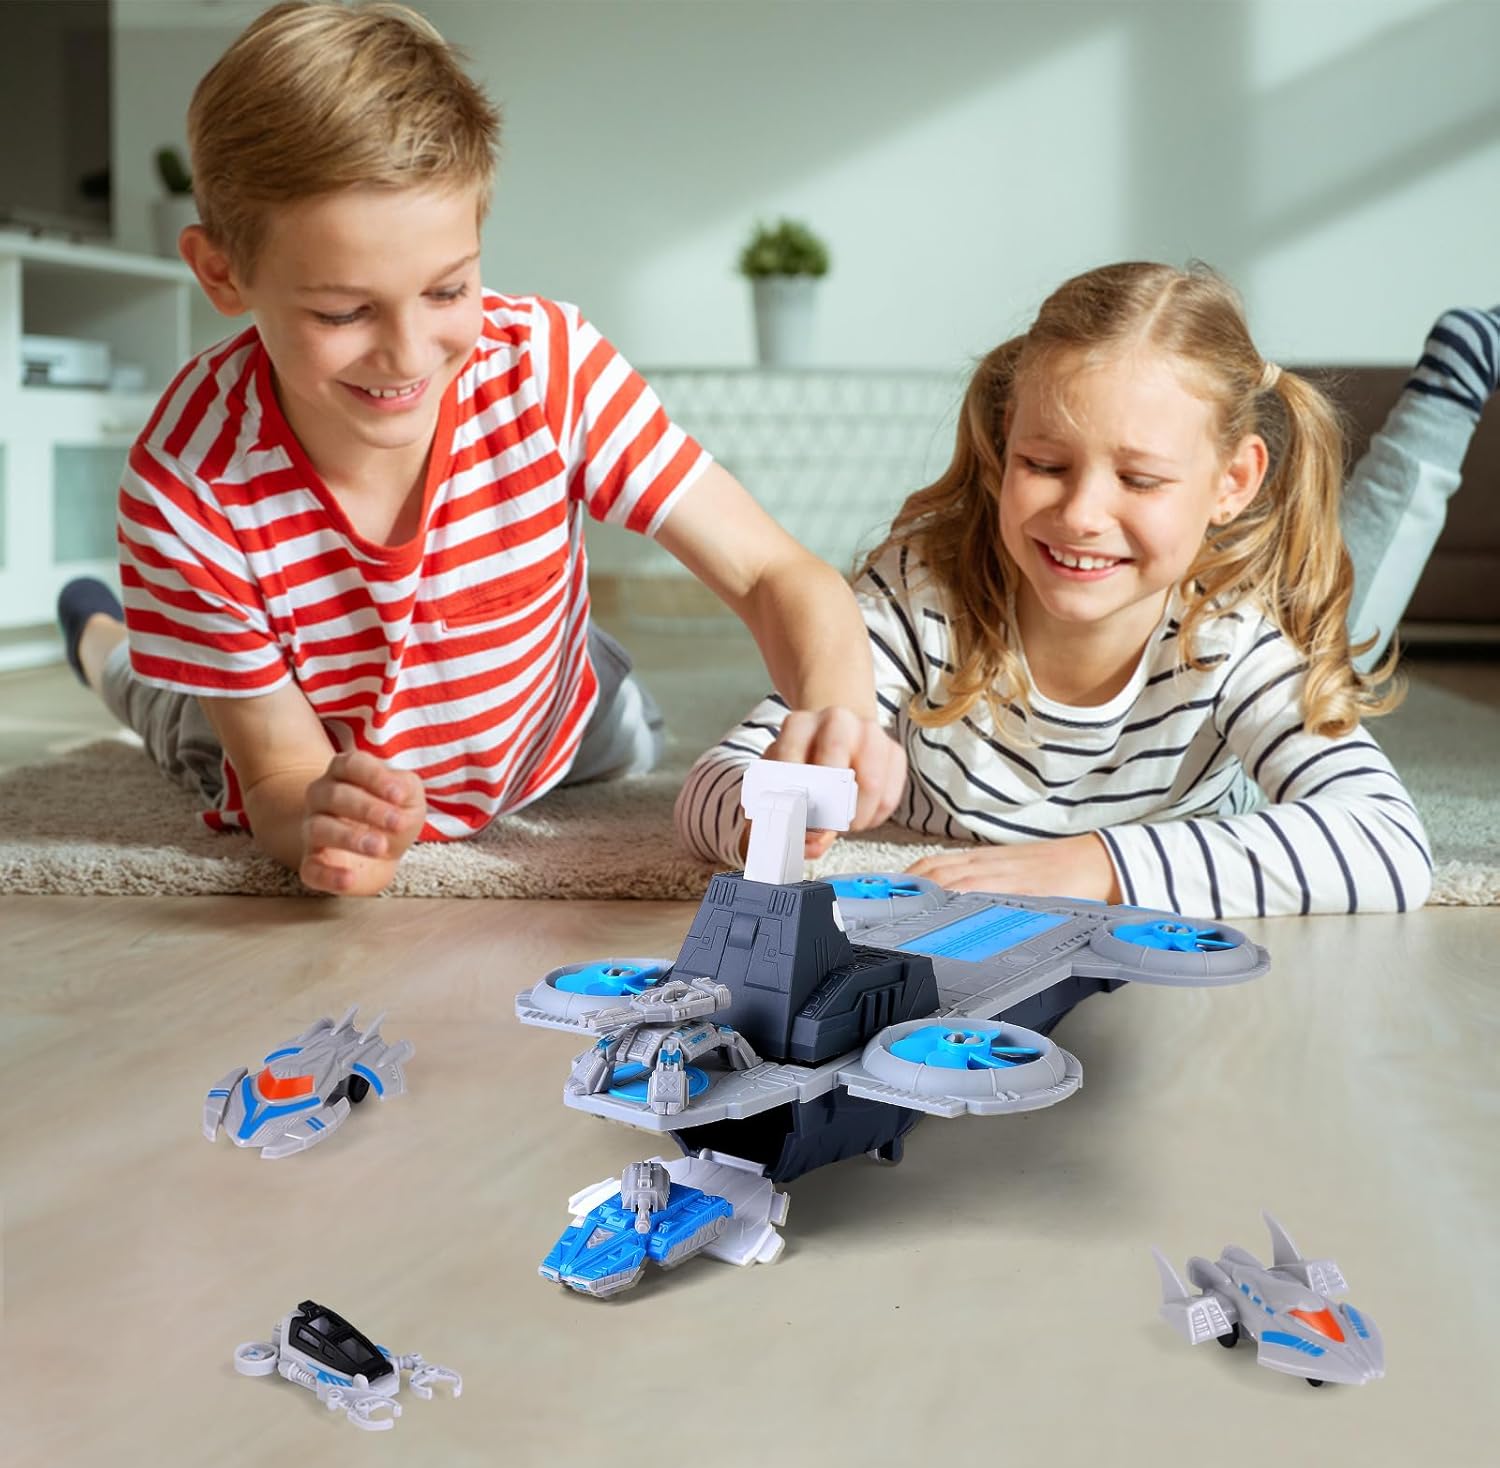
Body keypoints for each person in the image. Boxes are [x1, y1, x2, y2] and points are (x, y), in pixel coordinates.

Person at [54, 1, 901, 897]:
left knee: (632, 729)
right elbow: (280, 778)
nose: (407, 355)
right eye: (344, 312)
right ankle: (101, 639)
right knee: (167, 708)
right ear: (222, 273)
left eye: (447, 291)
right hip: (307, 729)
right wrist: (325, 823)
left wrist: (843, 710)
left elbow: (773, 573)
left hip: (554, 723)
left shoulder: (549, 367)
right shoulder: (184, 485)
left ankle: (543, 647)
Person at [677, 262, 1497, 918]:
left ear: (1232, 482)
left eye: (1139, 479)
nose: (1080, 515)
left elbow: (1388, 844)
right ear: (1005, 443)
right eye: (1044, 464)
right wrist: (773, 803)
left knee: (1342, 618)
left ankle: (1448, 388)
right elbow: (707, 787)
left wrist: (1100, 864)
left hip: (1243, 623)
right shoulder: (915, 598)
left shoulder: (1236, 636)